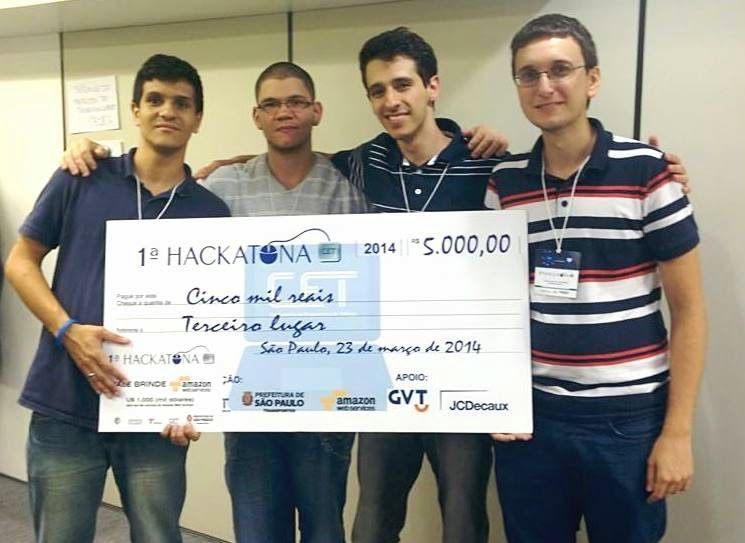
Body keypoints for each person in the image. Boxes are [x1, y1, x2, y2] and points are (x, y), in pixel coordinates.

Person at [485, 14, 706, 543]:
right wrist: (497, 396)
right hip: (532, 421)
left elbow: (691, 310)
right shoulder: (505, 184)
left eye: (560, 69)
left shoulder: (646, 171)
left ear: (593, 79)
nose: (544, 86)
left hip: (626, 421)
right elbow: (493, 308)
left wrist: (677, 433)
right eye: (528, 74)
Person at [4, 54, 229, 543]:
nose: (167, 110)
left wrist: (197, 400)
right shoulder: (81, 177)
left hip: (155, 415)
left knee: (158, 536)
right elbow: (20, 262)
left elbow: (212, 319)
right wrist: (67, 330)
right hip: (65, 403)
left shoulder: (211, 213)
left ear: (197, 119)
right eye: (155, 99)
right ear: (135, 110)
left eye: (181, 103)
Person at [204, 62, 368, 543]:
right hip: (249, 391)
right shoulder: (224, 185)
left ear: (316, 111)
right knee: (257, 530)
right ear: (256, 116)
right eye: (271, 104)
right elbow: (165, 211)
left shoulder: (350, 183)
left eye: (296, 102)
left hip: (328, 393)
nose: (284, 112)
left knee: (324, 528)